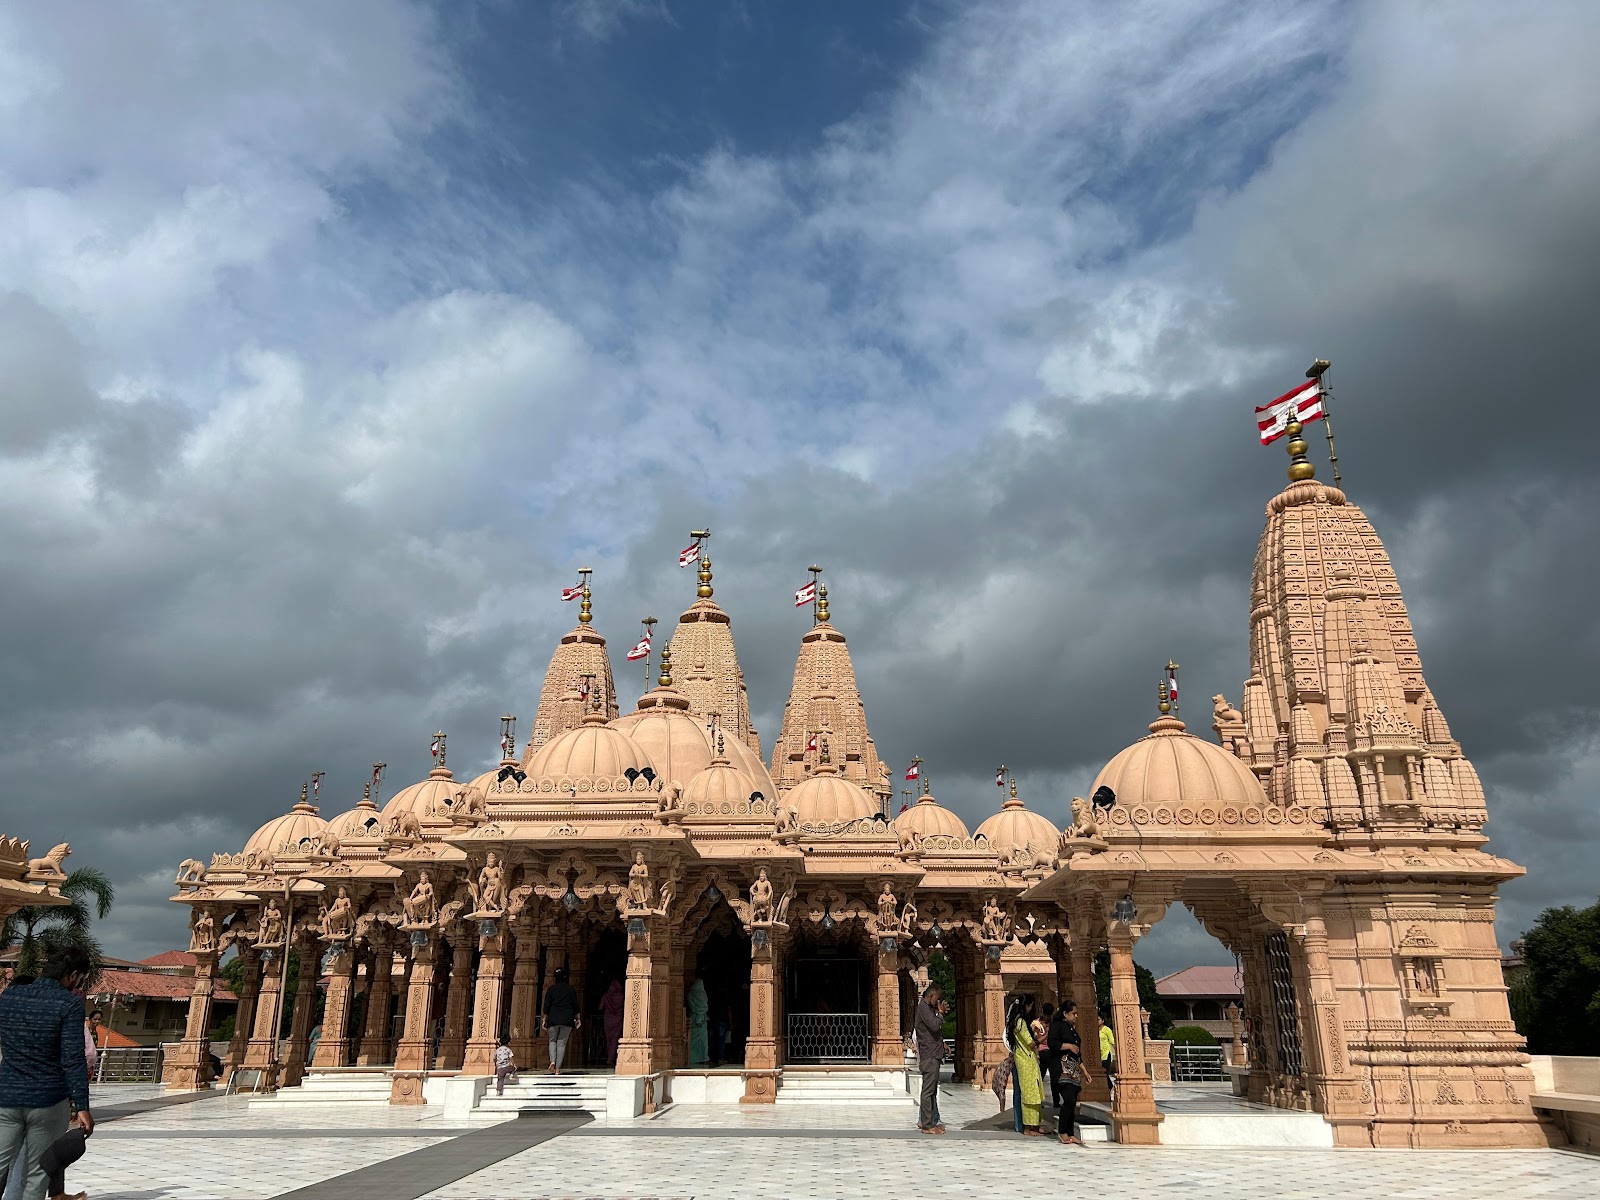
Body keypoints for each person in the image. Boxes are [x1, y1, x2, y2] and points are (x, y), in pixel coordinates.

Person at [0, 947, 96, 1200]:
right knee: (37, 1173)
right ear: (73, 975)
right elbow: (73, 1058)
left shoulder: (9, 997)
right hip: (48, 1100)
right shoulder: (69, 1003)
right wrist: (82, 1106)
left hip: (6, 1097)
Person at [1004, 993, 1043, 1136]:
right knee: (1029, 1094)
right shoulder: (1019, 1022)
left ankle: (1034, 1126)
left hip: (1027, 1059)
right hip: (1025, 1060)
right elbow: (1030, 1042)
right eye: (1030, 1006)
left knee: (1034, 1092)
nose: (1030, 1009)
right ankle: (1027, 1127)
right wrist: (1045, 1037)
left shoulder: (1017, 1021)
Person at [1048, 1000, 1085, 1146]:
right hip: (1062, 1069)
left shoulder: (1072, 1029)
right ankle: (1062, 1131)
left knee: (1073, 1102)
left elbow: (1077, 1051)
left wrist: (1085, 1071)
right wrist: (1068, 1045)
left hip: (1074, 1070)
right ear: (1065, 1014)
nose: (1075, 1016)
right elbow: (1052, 1044)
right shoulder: (1057, 1026)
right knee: (1068, 1100)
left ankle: (1070, 1133)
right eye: (1073, 1013)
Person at [912, 983, 948, 1135]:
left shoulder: (928, 1009)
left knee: (932, 1091)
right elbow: (934, 1026)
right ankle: (926, 1124)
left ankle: (931, 1120)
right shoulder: (924, 1008)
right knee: (928, 1091)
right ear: (931, 996)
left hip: (934, 1053)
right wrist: (940, 1014)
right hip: (929, 1056)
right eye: (937, 998)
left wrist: (943, 1044)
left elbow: (934, 1031)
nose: (938, 1002)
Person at [542, 967, 580, 1074]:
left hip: (553, 1018)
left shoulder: (551, 989)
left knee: (552, 1040)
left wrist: (544, 1020)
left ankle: (553, 1061)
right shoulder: (570, 989)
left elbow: (547, 1006)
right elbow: (575, 1005)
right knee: (561, 1043)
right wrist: (578, 1019)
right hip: (567, 1019)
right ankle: (558, 1069)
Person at [599, 978, 625, 1067]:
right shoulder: (622, 997)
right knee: (614, 1039)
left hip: (608, 1019)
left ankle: (608, 1056)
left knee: (608, 1039)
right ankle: (611, 1058)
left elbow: (600, 1007)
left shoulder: (606, 996)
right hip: (618, 1019)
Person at [686, 971, 710, 1066]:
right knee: (702, 1041)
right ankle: (702, 1057)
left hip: (694, 1019)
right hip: (702, 1021)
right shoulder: (703, 995)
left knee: (693, 1040)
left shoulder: (691, 995)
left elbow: (690, 1005)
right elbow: (705, 1007)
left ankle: (692, 1057)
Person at [1099, 1009, 1116, 1092]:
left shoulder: (1106, 1030)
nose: (1097, 1021)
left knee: (1105, 1072)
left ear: (1102, 1020)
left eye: (1098, 1019)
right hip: (1099, 1055)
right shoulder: (1094, 1030)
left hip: (1106, 1054)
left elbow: (1112, 1041)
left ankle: (1109, 1086)